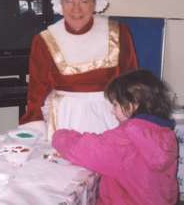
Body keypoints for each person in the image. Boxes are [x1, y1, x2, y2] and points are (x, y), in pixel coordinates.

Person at [19, 0, 138, 139]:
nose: (76, 9)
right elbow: (36, 90)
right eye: (69, 1)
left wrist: (132, 116)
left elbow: (132, 81)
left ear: (95, 3)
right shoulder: (45, 40)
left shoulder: (118, 33)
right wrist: (34, 124)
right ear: (60, 3)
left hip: (108, 115)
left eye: (84, 1)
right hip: (64, 118)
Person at [52, 69, 178, 205]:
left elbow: (85, 149)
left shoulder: (128, 137)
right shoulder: (166, 134)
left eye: (115, 104)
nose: (112, 111)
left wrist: (59, 135)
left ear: (132, 105)